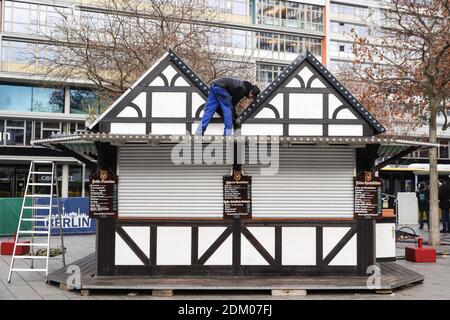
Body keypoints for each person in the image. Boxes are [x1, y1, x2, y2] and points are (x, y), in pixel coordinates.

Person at [196, 78, 260, 136]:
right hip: (222, 89)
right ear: (251, 92)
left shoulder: (242, 85)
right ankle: (227, 134)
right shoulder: (242, 90)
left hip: (214, 86)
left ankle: (199, 132)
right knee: (228, 111)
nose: (251, 98)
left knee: (209, 111)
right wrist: (236, 117)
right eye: (252, 96)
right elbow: (232, 105)